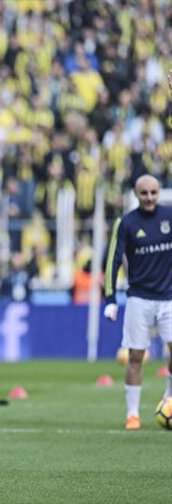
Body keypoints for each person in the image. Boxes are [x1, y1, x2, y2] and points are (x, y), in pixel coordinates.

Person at [103, 174, 172, 430]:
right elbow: (112, 259)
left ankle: (169, 398)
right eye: (144, 193)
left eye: (154, 192)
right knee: (135, 356)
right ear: (136, 194)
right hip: (139, 299)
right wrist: (110, 298)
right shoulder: (127, 222)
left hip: (168, 298)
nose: (150, 198)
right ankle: (132, 414)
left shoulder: (169, 217)